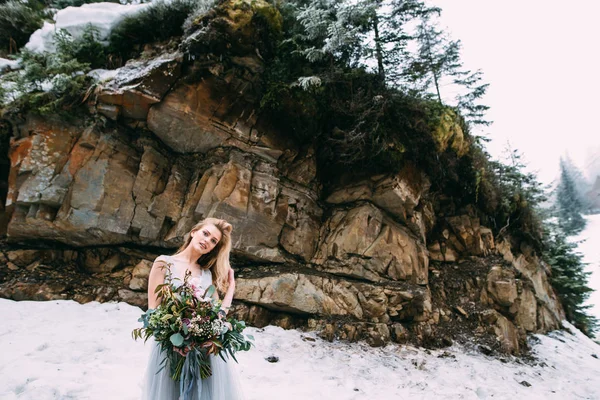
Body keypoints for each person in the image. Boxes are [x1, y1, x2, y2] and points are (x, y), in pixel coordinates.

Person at [141, 218, 245, 400]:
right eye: (205, 233)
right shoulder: (164, 263)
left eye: (213, 241)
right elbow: (152, 312)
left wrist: (231, 289)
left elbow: (218, 317)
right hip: (170, 350)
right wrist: (173, 336)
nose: (207, 241)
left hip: (201, 353)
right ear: (193, 232)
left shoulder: (207, 274)